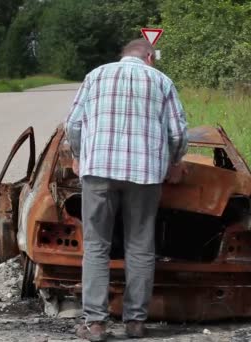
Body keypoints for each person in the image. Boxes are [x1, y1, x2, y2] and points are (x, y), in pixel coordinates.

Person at [65, 38, 188, 341]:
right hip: (144, 175)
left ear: (123, 56)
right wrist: (175, 162)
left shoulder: (96, 76)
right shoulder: (160, 80)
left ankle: (95, 324)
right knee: (140, 245)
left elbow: (74, 125)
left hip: (99, 171)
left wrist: (79, 157)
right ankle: (135, 323)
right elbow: (177, 131)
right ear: (149, 57)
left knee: (96, 246)